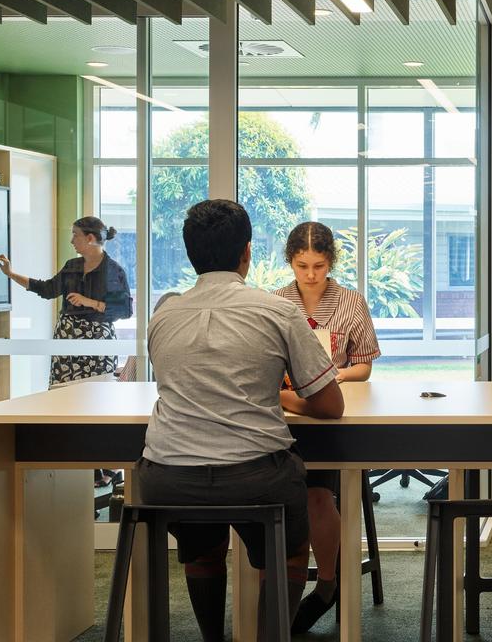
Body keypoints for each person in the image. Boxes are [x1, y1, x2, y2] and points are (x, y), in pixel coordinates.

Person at [138, 200, 344, 642]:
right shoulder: (276, 310)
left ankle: (214, 636)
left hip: (168, 479)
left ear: (191, 255)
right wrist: (279, 397)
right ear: (247, 253)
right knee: (288, 551)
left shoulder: (163, 314)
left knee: (202, 545)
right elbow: (330, 405)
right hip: (256, 475)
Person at [272, 221, 380, 632]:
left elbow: (365, 365)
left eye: (318, 265)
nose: (311, 274)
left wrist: (337, 378)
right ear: (291, 262)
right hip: (285, 411)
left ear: (331, 262)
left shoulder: (351, 302)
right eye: (302, 266)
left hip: (331, 409)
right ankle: (284, 584)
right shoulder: (276, 302)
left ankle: (328, 584)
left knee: (318, 493)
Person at [0, 216, 132, 387]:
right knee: (61, 394)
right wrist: (11, 274)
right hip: (66, 337)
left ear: (90, 239)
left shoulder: (113, 271)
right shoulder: (71, 266)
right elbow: (47, 289)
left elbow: (124, 310)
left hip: (97, 341)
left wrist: (90, 302)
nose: (71, 240)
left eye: (75, 235)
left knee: (97, 395)